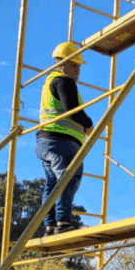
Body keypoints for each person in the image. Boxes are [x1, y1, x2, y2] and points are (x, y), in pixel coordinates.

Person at [36, 41, 93, 237]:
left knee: (53, 183)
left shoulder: (48, 82)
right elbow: (72, 110)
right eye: (74, 65)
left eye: (79, 67)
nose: (77, 71)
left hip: (45, 141)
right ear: (61, 63)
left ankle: (50, 226)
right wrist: (88, 125)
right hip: (62, 141)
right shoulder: (63, 81)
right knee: (68, 179)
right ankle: (63, 223)